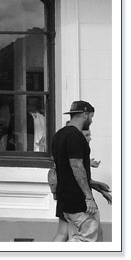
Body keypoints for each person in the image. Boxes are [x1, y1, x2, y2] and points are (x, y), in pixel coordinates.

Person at [53, 101, 111, 242]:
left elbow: (65, 169)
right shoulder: (75, 136)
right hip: (78, 201)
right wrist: (88, 198)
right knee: (85, 240)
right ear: (85, 115)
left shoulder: (59, 135)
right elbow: (76, 167)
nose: (91, 120)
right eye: (91, 117)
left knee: (72, 237)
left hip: (65, 198)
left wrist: (94, 184)